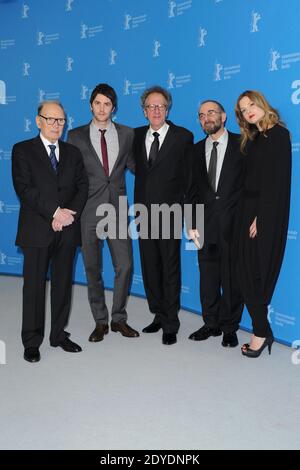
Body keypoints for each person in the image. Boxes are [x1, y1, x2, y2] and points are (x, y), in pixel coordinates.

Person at [12, 101, 88, 362]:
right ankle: (32, 341)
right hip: (37, 230)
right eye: (51, 119)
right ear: (38, 121)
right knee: (33, 287)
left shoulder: (73, 153)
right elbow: (25, 189)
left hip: (66, 230)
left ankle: (58, 335)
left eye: (61, 121)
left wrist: (67, 216)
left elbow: (82, 188)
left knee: (63, 285)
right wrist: (55, 213)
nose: (57, 125)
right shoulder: (22, 150)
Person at [67, 83, 139, 342]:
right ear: (90, 106)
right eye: (97, 103)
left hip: (118, 210)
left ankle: (118, 318)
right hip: (88, 211)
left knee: (126, 265)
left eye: (107, 104)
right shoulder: (75, 136)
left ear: (114, 107)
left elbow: (135, 166)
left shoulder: (128, 134)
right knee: (92, 268)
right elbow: (71, 176)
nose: (102, 108)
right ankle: (100, 321)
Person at [134, 85, 194, 345]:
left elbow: (189, 179)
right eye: (151, 106)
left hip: (170, 212)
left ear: (167, 109)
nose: (156, 110)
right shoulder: (134, 136)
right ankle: (158, 314)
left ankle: (171, 323)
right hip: (143, 213)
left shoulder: (183, 136)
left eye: (161, 106)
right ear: (144, 111)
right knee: (150, 266)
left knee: (170, 268)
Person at [235, 90, 291, 357]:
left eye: (251, 106)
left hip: (263, 212)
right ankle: (262, 329)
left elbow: (276, 182)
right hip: (246, 210)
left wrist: (261, 217)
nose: (248, 112)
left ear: (261, 103)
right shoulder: (254, 138)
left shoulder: (278, 135)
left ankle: (260, 332)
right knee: (244, 273)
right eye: (244, 111)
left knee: (254, 274)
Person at [187, 100, 244, 347]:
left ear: (223, 116)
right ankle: (211, 323)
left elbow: (252, 187)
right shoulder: (194, 151)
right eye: (201, 115)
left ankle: (230, 327)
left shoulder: (243, 145)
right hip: (204, 225)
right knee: (207, 278)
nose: (206, 118)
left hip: (235, 225)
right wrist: (191, 222)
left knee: (232, 279)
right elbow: (189, 191)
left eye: (211, 112)